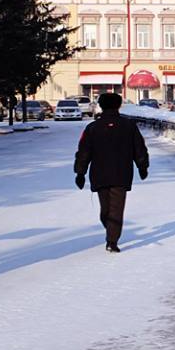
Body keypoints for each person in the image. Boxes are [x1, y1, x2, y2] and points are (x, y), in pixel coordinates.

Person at [73, 92, 149, 253]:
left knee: (108, 209)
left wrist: (80, 172)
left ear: (100, 105)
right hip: (121, 173)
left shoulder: (93, 128)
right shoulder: (128, 126)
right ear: (119, 105)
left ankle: (111, 240)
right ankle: (112, 234)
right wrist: (142, 166)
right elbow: (139, 148)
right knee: (113, 209)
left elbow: (83, 151)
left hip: (100, 174)